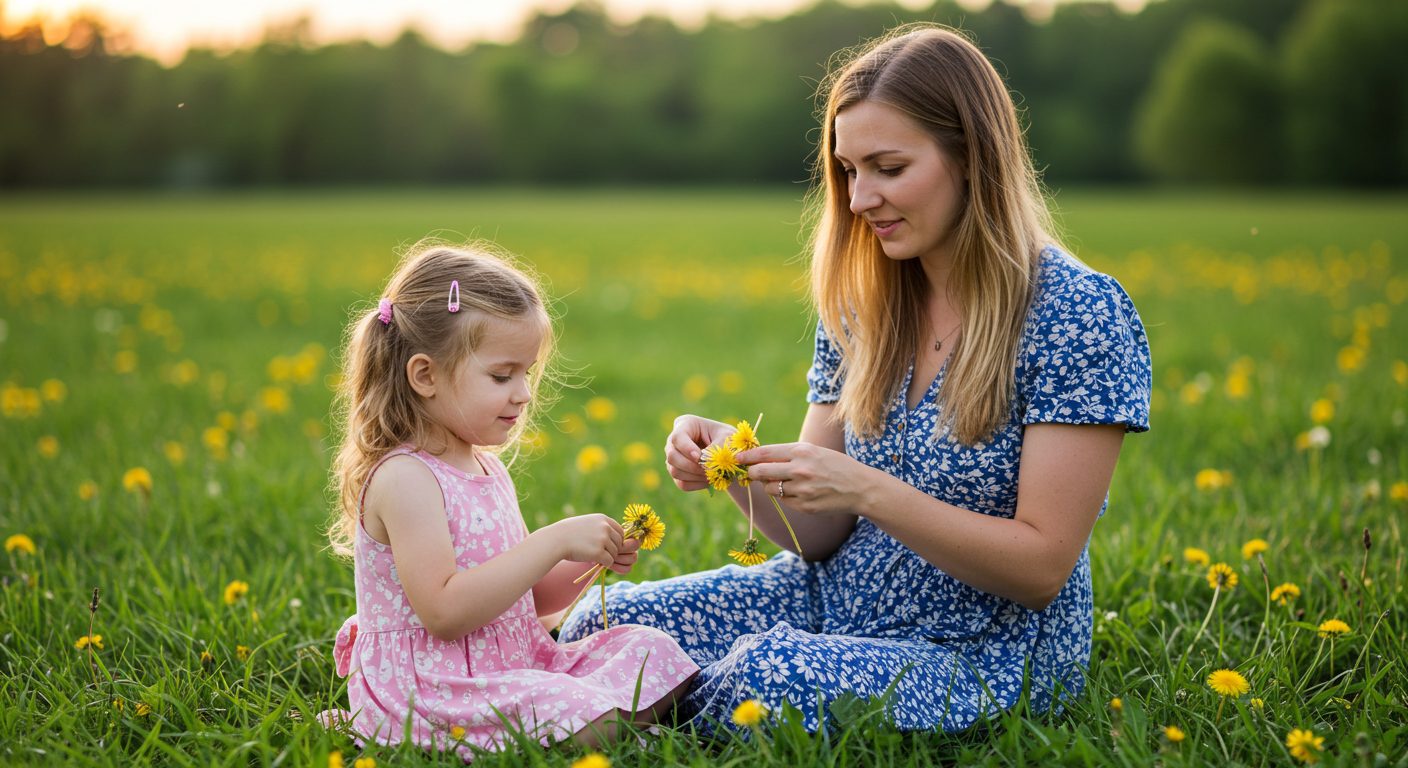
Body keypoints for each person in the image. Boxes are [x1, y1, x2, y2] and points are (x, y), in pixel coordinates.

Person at [559, 24, 1151, 734]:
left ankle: (606, 714)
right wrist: (734, 467)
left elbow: (1041, 566)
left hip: (983, 651)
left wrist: (870, 489)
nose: (860, 196)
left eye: (889, 168)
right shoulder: (862, 301)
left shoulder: (1076, 312)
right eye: (847, 170)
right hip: (830, 596)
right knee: (607, 618)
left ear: (973, 158)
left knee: (764, 677)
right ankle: (596, 700)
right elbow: (817, 535)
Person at [320, 242, 698, 755]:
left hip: (514, 662)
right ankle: (599, 725)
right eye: (502, 375)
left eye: (527, 373)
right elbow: (445, 611)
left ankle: (598, 720)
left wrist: (586, 561)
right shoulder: (405, 479)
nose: (523, 393)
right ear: (425, 376)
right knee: (576, 706)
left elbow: (528, 599)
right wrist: (552, 540)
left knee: (654, 652)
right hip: (434, 687)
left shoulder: (485, 466)